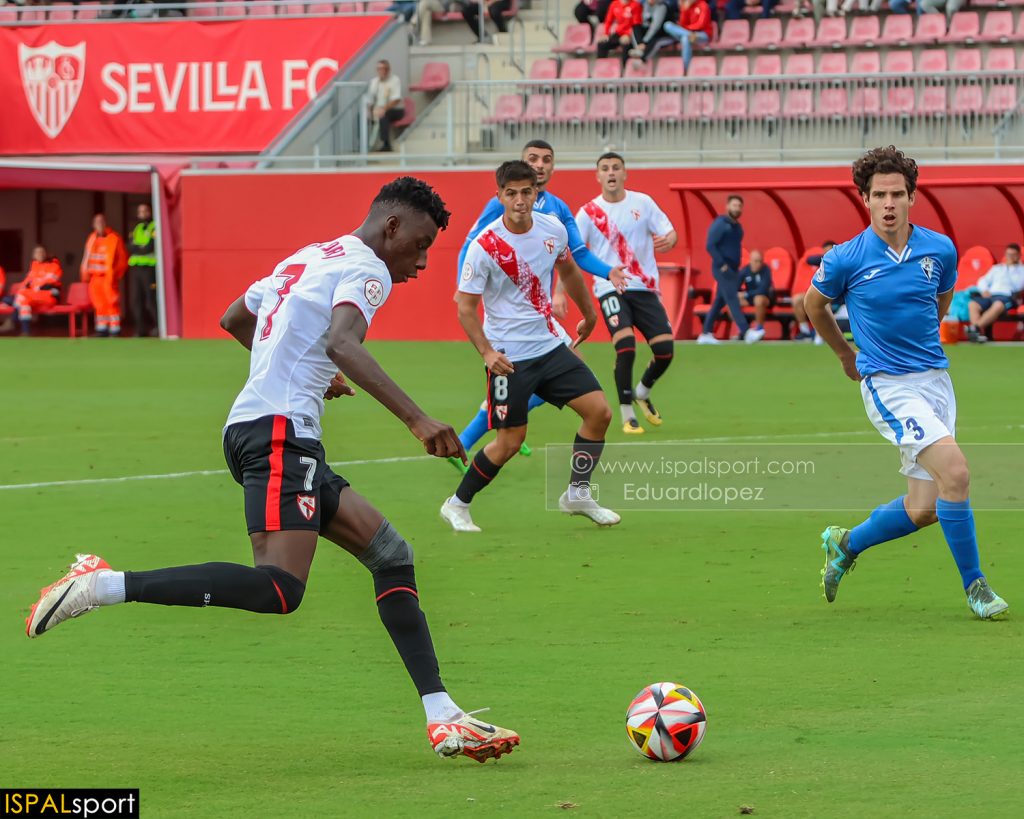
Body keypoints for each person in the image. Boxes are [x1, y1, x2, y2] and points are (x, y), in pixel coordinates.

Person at [25, 177, 521, 762]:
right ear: (392, 226)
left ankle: (443, 716)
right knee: (280, 588)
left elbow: (235, 317)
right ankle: (101, 585)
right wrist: (417, 419)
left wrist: (308, 372)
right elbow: (342, 343)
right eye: (420, 245)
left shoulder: (311, 255)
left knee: (392, 556)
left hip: (265, 430)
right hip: (280, 436)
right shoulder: (369, 269)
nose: (421, 262)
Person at [805, 145, 1008, 620]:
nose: (889, 203)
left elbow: (941, 301)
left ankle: (846, 543)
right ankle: (976, 586)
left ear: (912, 197)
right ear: (865, 199)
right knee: (956, 474)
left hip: (936, 381)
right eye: (879, 195)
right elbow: (813, 305)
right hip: (888, 385)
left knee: (925, 507)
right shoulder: (845, 258)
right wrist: (845, 354)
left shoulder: (940, 249)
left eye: (897, 193)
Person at [440, 161, 620, 532]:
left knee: (599, 412)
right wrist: (488, 353)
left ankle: (577, 493)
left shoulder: (553, 229)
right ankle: (457, 504)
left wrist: (590, 314)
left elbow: (569, 271)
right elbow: (465, 308)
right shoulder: (485, 246)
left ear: (536, 193)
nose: (520, 200)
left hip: (550, 347)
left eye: (526, 192)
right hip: (509, 359)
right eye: (511, 193)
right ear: (499, 196)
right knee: (509, 442)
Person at [570, 151, 677, 435]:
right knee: (626, 346)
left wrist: (670, 239)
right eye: (605, 168)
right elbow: (571, 255)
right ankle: (627, 413)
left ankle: (642, 391)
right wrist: (559, 293)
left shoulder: (643, 203)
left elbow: (669, 231)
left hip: (645, 287)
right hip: (610, 287)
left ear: (625, 173)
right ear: (598, 176)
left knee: (665, 351)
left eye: (616, 167)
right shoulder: (588, 213)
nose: (611, 172)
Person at [698, 195, 764, 344]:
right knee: (733, 298)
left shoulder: (737, 227)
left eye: (739, 206)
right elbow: (710, 245)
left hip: (733, 269)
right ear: (727, 206)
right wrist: (722, 264)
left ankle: (705, 333)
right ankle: (746, 331)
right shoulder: (720, 223)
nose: (737, 208)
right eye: (734, 205)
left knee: (719, 302)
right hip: (722, 268)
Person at [80, 213, 128, 337]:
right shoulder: (91, 238)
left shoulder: (114, 238)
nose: (99, 224)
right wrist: (85, 273)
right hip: (94, 277)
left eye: (101, 221)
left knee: (112, 302)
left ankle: (115, 329)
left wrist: (115, 274)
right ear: (93, 225)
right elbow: (86, 257)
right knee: (99, 303)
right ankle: (102, 328)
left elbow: (122, 259)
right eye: (97, 222)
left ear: (105, 223)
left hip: (108, 277)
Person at [966, 243, 1024, 343]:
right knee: (973, 304)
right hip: (991, 295)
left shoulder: (1021, 270)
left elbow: (1019, 286)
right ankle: (975, 333)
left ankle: (974, 328)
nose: (1010, 257)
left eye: (1013, 255)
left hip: (1007, 297)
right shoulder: (997, 268)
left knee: (998, 305)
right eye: (1008, 254)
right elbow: (982, 280)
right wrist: (984, 290)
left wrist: (1011, 269)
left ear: (1019, 255)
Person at [791, 240, 836, 341]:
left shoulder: (841, 263)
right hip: (821, 293)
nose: (828, 255)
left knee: (822, 303)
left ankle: (820, 334)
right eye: (826, 252)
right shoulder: (823, 262)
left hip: (835, 296)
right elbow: (809, 260)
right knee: (797, 299)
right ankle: (805, 332)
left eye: (830, 252)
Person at [128, 203, 158, 337]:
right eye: (140, 211)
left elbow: (150, 246)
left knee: (150, 300)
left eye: (145, 211)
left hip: (149, 269)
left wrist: (138, 247)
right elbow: (130, 246)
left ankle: (158, 327)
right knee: (136, 300)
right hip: (136, 269)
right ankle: (140, 330)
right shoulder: (137, 228)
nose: (143, 214)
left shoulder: (154, 226)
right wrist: (140, 248)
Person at [663, 0, 713, 72]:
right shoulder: (688, 6)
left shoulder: (703, 5)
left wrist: (688, 29)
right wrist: (684, 9)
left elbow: (701, 24)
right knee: (667, 25)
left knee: (685, 38)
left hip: (702, 34)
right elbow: (682, 24)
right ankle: (689, 35)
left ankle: (685, 70)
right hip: (689, 33)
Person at [366, 60, 405, 153]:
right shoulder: (374, 82)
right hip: (378, 108)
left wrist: (383, 109)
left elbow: (396, 99)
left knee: (384, 114)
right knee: (362, 116)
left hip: (395, 109)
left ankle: (386, 144)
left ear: (388, 70)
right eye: (378, 69)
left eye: (383, 69)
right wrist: (369, 110)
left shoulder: (395, 80)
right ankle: (363, 143)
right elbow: (370, 99)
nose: (380, 71)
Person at [737, 249, 773, 336]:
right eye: (756, 261)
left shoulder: (766, 270)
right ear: (750, 261)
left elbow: (762, 290)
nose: (758, 264)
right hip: (750, 299)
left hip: (765, 298)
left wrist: (746, 294)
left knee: (758, 299)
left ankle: (759, 330)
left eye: (760, 261)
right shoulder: (745, 270)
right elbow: (735, 286)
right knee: (732, 302)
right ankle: (743, 330)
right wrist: (738, 294)